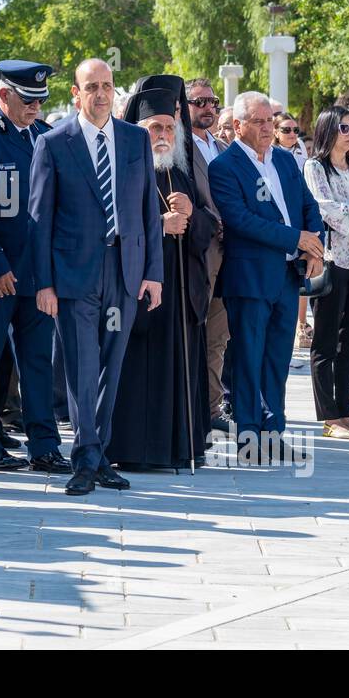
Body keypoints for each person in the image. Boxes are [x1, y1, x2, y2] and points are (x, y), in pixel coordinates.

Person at [30, 58, 163, 495]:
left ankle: (100, 453)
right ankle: (85, 457)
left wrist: (153, 273)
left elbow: (148, 214)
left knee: (112, 366)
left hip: (124, 271)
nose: (101, 94)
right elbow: (39, 221)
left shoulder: (135, 140)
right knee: (83, 368)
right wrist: (44, 283)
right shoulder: (53, 143)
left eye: (107, 86)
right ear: (76, 93)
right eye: (92, 87)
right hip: (73, 276)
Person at [208, 91, 324, 462]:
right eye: (257, 121)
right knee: (248, 357)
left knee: (277, 358)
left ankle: (274, 433)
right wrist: (295, 238)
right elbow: (241, 220)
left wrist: (313, 245)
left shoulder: (286, 161)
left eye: (269, 121)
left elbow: (308, 205)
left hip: (288, 276)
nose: (266, 128)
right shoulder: (224, 167)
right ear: (238, 125)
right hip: (250, 276)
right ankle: (249, 437)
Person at [0, 61, 69, 473]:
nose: (36, 107)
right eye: (28, 100)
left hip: (38, 275)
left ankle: (44, 444)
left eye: (41, 100)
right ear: (3, 96)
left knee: (39, 363)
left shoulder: (46, 137)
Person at [108, 88, 212, 469]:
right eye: (155, 128)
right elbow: (112, 223)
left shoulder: (182, 173)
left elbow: (210, 228)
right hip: (137, 288)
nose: (164, 135)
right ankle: (134, 450)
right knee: (137, 369)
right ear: (139, 131)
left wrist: (193, 216)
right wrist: (160, 224)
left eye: (169, 127)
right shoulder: (123, 167)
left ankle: (178, 447)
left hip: (181, 292)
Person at [303, 107, 349, 439]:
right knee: (325, 340)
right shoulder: (315, 167)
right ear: (328, 129)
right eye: (343, 127)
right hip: (332, 261)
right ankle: (329, 415)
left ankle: (345, 410)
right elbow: (323, 207)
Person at [186, 78, 231, 432]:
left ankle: (212, 409)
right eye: (198, 102)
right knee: (194, 335)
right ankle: (191, 410)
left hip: (231, 256)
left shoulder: (223, 146)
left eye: (212, 102)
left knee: (219, 337)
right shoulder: (178, 147)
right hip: (197, 255)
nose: (207, 108)